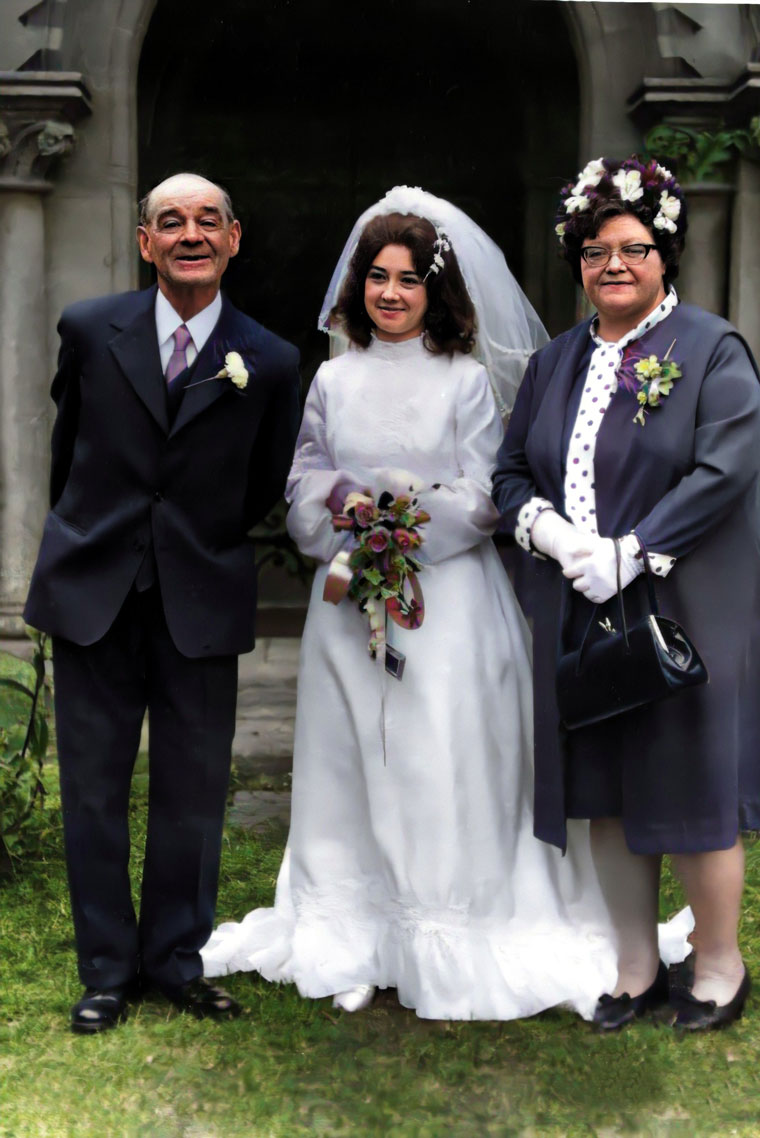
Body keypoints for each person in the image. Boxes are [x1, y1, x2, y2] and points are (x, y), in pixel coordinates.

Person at [202, 185, 625, 1021]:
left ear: (436, 293)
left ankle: (438, 925)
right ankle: (351, 930)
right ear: (358, 286)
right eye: (377, 278)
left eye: (407, 280)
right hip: (347, 602)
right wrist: (344, 511)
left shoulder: (464, 382)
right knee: (350, 756)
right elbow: (302, 479)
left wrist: (404, 523)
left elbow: (483, 494)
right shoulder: (333, 378)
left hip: (448, 604)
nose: (389, 294)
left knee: (434, 754)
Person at [493, 156, 760, 1032]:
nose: (613, 266)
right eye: (595, 252)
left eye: (632, 249)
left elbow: (726, 466)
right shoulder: (556, 362)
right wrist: (549, 534)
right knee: (607, 787)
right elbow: (512, 471)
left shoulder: (711, 348)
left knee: (696, 786)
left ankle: (717, 965)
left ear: (664, 254)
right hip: (583, 613)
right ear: (578, 263)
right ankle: (634, 967)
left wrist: (633, 550)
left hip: (689, 601)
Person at [24, 173, 301, 1033]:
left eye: (207, 221)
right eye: (170, 222)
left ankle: (177, 960)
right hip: (94, 586)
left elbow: (266, 481)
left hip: (199, 593)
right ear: (145, 242)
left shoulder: (271, 359)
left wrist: (196, 542)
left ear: (233, 238)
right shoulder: (88, 328)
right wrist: (96, 534)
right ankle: (106, 970)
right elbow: (69, 446)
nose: (190, 234)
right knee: (96, 789)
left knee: (192, 788)